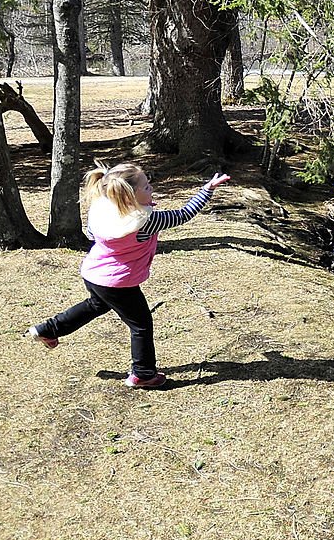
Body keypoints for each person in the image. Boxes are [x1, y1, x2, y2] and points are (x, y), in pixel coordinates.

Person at [25, 162, 231, 388]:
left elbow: (92, 235)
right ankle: (143, 374)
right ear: (128, 197)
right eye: (146, 187)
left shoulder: (103, 208)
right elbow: (183, 214)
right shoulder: (146, 221)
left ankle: (47, 330)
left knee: (96, 305)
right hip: (118, 282)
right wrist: (207, 189)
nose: (151, 188)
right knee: (141, 324)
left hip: (94, 274)